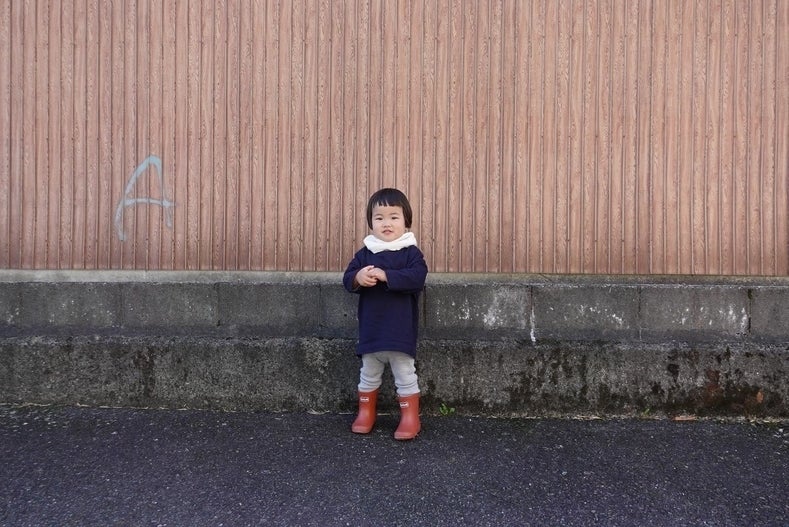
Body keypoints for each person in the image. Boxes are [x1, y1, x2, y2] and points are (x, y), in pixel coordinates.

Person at [342, 188, 428, 440]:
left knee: (405, 375)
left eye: (394, 217)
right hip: (372, 330)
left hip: (399, 331)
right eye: (379, 218)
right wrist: (358, 277)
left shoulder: (411, 252)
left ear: (406, 221)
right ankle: (365, 413)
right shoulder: (366, 253)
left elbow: (418, 277)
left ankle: (410, 418)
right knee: (368, 375)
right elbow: (347, 279)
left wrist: (386, 275)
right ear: (371, 223)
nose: (386, 223)